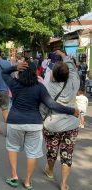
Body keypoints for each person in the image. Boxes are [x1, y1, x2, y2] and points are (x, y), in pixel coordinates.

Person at [1, 60, 79, 189]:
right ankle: (28, 181)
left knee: (13, 147)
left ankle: (14, 176)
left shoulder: (14, 84)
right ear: (35, 72)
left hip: (15, 122)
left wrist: (15, 67)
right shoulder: (40, 87)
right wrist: (71, 110)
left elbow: (4, 72)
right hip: (34, 123)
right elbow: (51, 104)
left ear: (20, 72)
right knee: (32, 153)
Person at [42, 50, 81, 190]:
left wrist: (40, 120)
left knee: (52, 150)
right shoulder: (74, 83)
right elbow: (71, 67)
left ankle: (50, 171)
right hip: (71, 125)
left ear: (53, 74)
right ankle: (64, 184)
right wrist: (64, 56)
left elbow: (43, 107)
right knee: (67, 154)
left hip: (52, 124)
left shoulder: (48, 87)